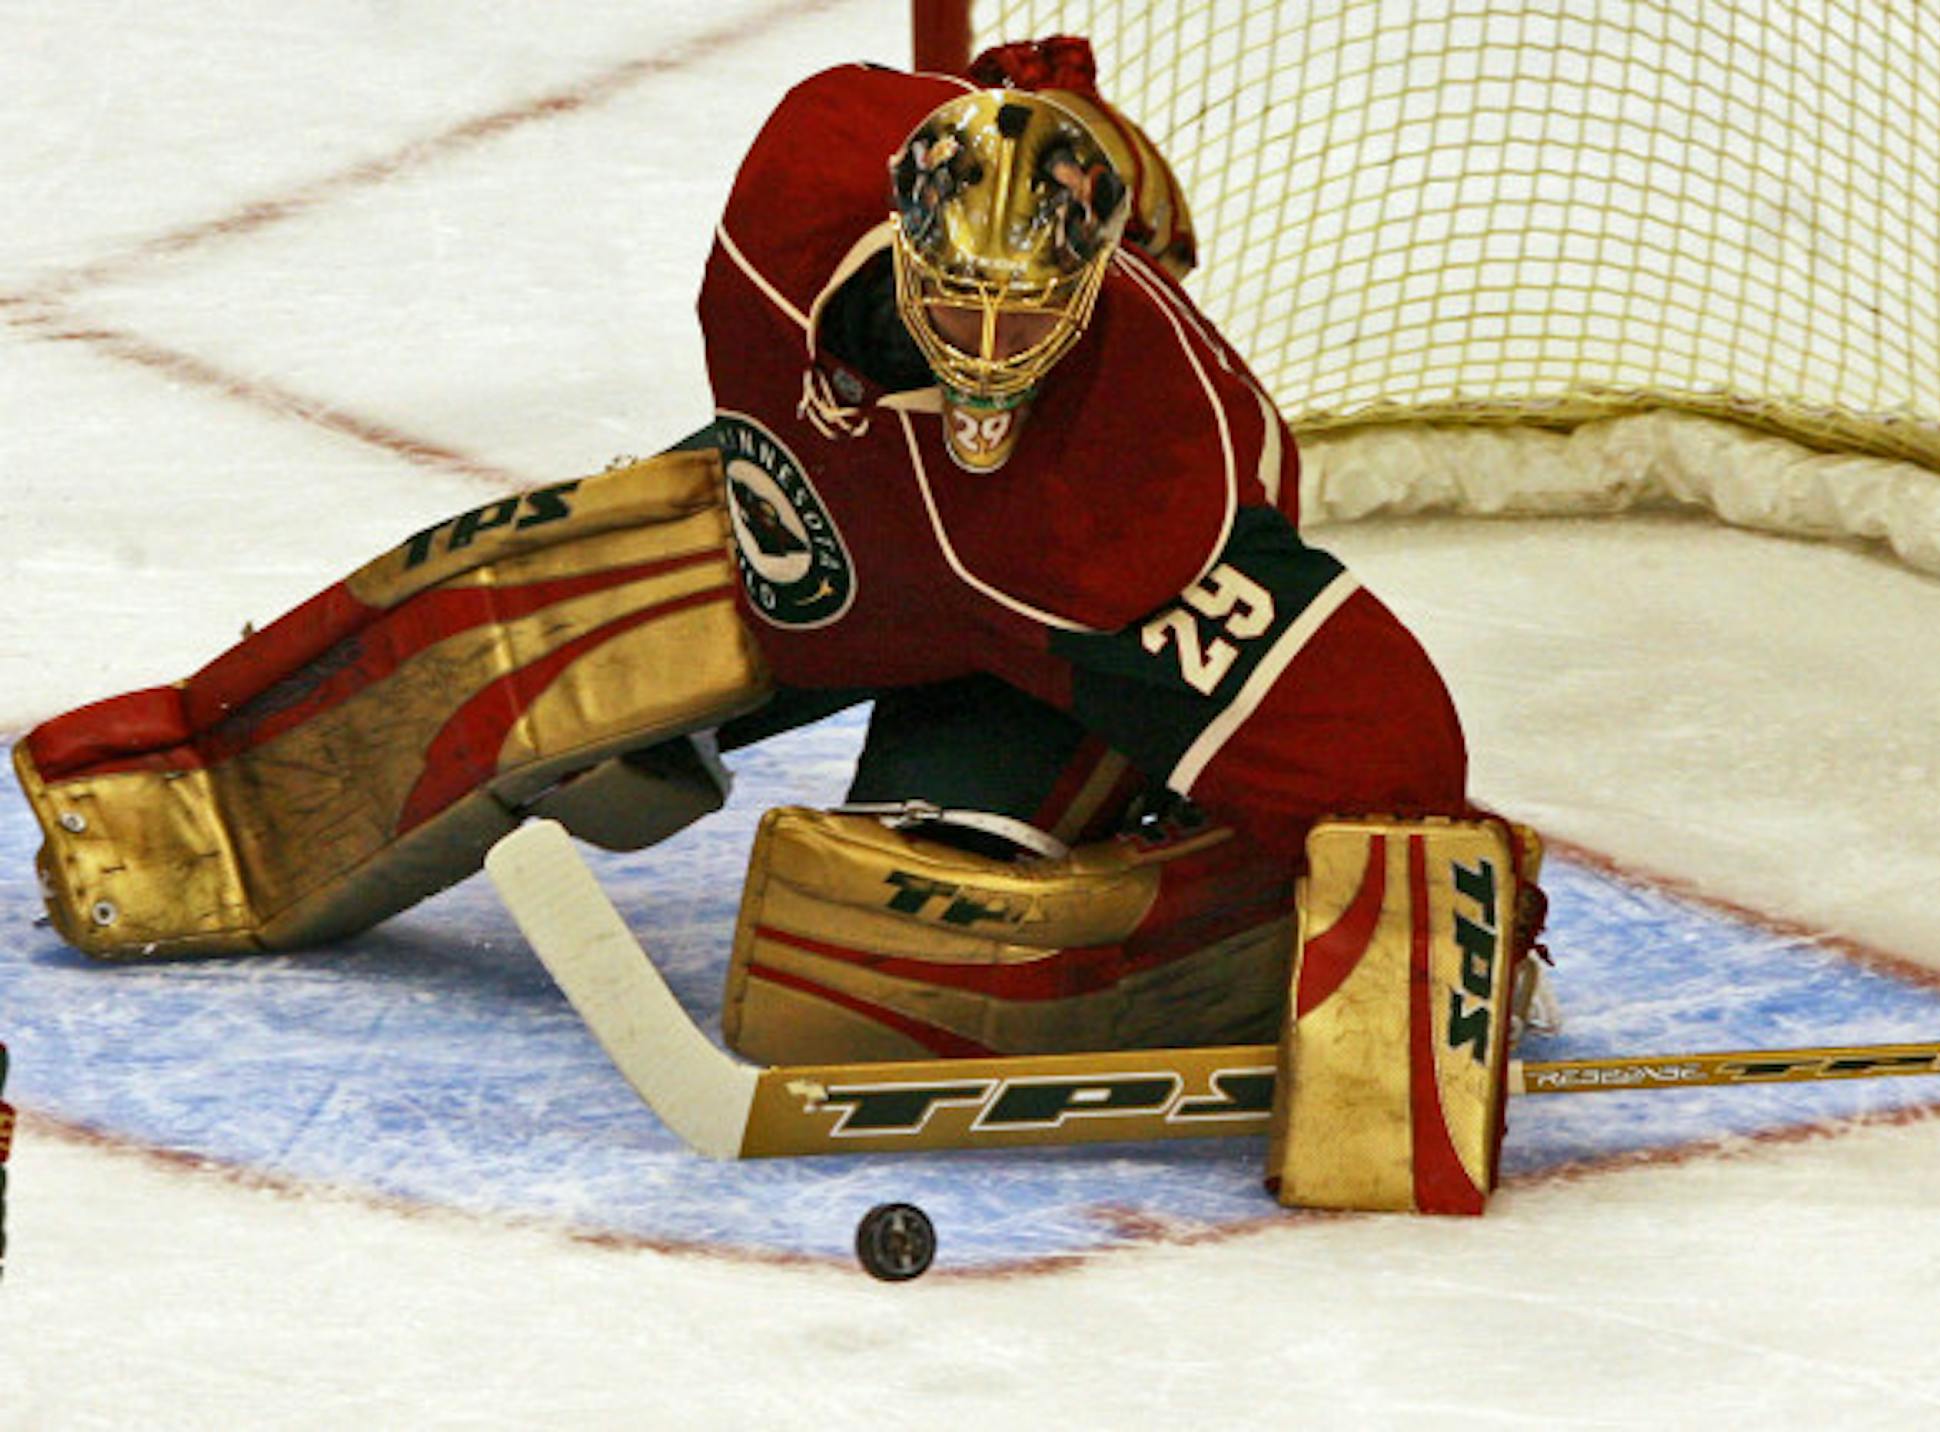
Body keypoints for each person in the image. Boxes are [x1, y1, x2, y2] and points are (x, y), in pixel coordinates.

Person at [14, 38, 1541, 1213]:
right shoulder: (794, 201)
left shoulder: (1149, 484)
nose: (992, 346)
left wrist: (1420, 920)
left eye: (1036, 317)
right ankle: (184, 815)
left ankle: (1232, 937)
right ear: (898, 230)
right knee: (500, 635)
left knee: (860, 975)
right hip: (822, 542)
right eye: (961, 299)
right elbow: (913, 116)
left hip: (1040, 642)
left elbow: (1369, 731)